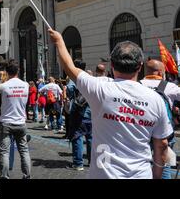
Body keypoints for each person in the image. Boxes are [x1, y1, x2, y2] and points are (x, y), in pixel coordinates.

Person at [49, 30, 173, 179]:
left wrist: (59, 41)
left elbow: (70, 68)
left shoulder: (100, 89)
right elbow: (162, 144)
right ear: (140, 66)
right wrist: (157, 174)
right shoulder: (156, 99)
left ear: (112, 65)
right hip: (141, 174)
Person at [0, 61, 31, 179]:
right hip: (21, 122)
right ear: (18, 71)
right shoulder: (26, 85)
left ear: (7, 72)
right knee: (24, 151)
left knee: (4, 152)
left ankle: (4, 176)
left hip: (6, 122)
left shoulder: (2, 86)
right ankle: (27, 176)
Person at [141, 59, 180, 179]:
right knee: (166, 164)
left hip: (142, 132)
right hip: (165, 134)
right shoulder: (170, 86)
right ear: (160, 73)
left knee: (142, 162)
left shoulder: (137, 84)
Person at [65, 60, 92, 171]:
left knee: (77, 137)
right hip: (91, 112)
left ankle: (78, 163)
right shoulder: (90, 78)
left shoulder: (75, 78)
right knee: (90, 137)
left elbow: (70, 92)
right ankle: (92, 161)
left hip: (78, 113)